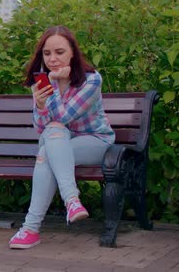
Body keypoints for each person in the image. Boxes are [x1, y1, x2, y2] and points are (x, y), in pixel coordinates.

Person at [9, 25, 115, 249]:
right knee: (50, 143)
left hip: (95, 141)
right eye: (47, 54)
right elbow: (40, 127)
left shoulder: (92, 79)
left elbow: (64, 117)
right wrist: (39, 103)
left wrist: (54, 85)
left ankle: (30, 229)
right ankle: (72, 202)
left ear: (72, 53)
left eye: (59, 52)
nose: (52, 59)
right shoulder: (41, 82)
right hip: (59, 142)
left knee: (51, 142)